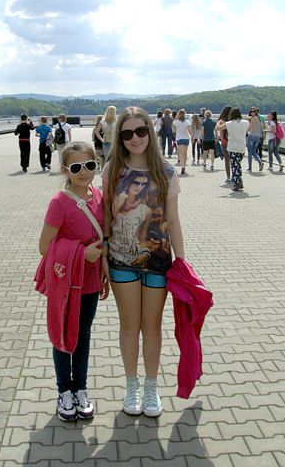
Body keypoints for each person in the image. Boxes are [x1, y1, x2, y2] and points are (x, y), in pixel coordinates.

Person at [101, 106, 184, 418]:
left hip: (159, 261)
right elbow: (106, 215)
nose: (134, 138)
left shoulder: (166, 172)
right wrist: (104, 253)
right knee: (128, 325)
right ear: (120, 138)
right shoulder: (112, 170)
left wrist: (182, 263)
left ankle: (151, 386)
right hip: (121, 260)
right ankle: (131, 385)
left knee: (152, 326)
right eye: (127, 133)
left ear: (150, 130)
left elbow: (173, 220)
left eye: (140, 131)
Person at [38, 142, 109, 421]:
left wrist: (103, 266)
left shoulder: (99, 196)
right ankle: (63, 391)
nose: (84, 172)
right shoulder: (59, 202)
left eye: (90, 165)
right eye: (76, 167)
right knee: (62, 332)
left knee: (83, 334)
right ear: (65, 170)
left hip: (90, 281)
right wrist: (82, 254)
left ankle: (80, 388)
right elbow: (44, 247)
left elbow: (103, 238)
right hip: (65, 282)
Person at [216, 107, 248, 192]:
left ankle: (236, 183)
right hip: (242, 146)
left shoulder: (229, 123)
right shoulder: (245, 122)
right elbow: (251, 127)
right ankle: (239, 181)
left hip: (233, 146)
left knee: (235, 165)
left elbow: (218, 128)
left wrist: (219, 122)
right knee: (238, 164)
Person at [173, 109, 191, 175]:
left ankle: (182, 166)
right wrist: (192, 137)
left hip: (179, 138)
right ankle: (184, 166)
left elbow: (174, 130)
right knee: (185, 153)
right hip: (186, 138)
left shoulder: (176, 122)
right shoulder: (187, 122)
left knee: (180, 153)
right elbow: (189, 131)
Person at [216, 105, 232, 184]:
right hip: (232, 142)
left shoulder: (222, 121)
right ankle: (235, 175)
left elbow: (217, 128)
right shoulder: (232, 121)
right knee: (233, 160)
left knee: (227, 160)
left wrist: (219, 121)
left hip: (224, 142)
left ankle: (228, 177)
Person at [246, 107, 264, 172]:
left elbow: (251, 128)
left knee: (250, 153)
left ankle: (250, 168)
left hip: (251, 136)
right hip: (258, 137)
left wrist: (247, 131)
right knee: (254, 152)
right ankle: (260, 162)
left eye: (253, 111)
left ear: (256, 112)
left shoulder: (253, 118)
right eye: (251, 111)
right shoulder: (259, 118)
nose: (252, 113)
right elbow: (262, 128)